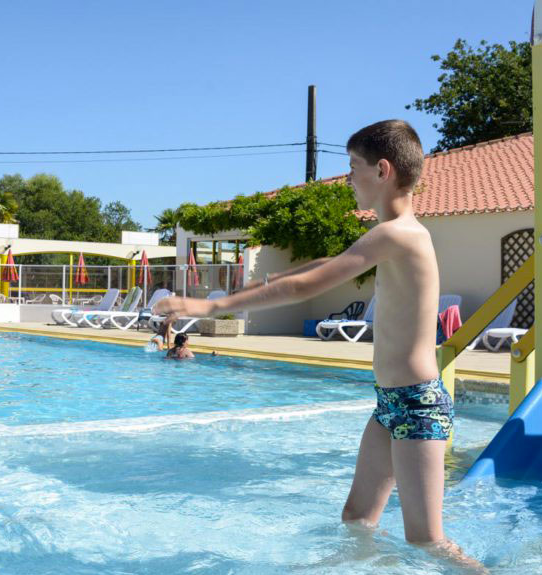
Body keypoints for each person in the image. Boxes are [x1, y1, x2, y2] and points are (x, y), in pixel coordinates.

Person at [154, 120, 482, 570]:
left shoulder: (399, 233)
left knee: (426, 540)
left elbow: (307, 284)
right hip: (391, 404)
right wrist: (275, 278)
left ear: (382, 170)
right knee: (357, 518)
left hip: (417, 405)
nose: (348, 179)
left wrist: (211, 305)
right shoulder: (392, 234)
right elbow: (328, 263)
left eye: (353, 167)